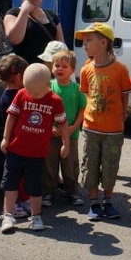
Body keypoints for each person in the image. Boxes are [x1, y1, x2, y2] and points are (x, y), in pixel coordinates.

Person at [0, 63, 69, 233]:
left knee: (35, 187)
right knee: (10, 184)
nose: (33, 95)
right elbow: (11, 117)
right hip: (15, 151)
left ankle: (36, 216)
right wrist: (5, 138)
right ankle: (8, 215)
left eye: (37, 93)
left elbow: (63, 123)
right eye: (30, 91)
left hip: (37, 154)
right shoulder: (22, 94)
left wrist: (66, 143)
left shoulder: (55, 101)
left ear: (48, 85)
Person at [75, 23, 131, 221]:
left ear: (103, 42)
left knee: (110, 165)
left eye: (89, 40)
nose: (84, 44)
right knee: (90, 164)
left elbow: (125, 96)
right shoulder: (85, 70)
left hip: (114, 129)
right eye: (84, 40)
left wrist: (123, 112)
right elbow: (85, 97)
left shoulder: (120, 69)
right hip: (91, 128)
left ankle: (108, 201)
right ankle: (94, 202)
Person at [42, 47, 86, 208]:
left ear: (72, 70)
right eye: (56, 65)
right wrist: (50, 128)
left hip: (71, 134)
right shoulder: (49, 87)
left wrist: (74, 126)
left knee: (70, 165)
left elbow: (82, 108)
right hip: (52, 134)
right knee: (50, 165)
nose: (59, 69)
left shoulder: (77, 88)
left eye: (64, 66)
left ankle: (72, 192)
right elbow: (44, 109)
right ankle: (49, 192)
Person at [0, 54, 32, 218]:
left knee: (23, 173)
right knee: (15, 175)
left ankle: (24, 199)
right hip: (16, 142)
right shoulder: (16, 97)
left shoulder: (9, 94)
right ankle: (13, 205)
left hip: (19, 141)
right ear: (20, 77)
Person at [3, 0, 65, 65]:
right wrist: (24, 11)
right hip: (24, 72)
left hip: (49, 72)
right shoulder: (13, 13)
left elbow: (61, 46)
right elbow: (14, 39)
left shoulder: (52, 16)